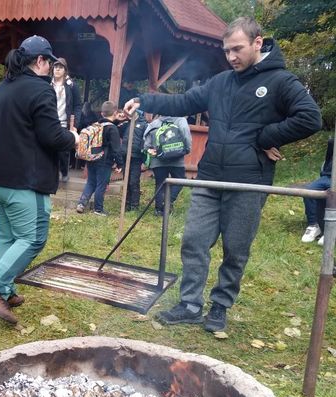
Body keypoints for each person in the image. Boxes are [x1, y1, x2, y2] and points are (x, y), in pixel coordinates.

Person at [124, 16, 321, 333]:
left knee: (235, 250)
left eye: (237, 49)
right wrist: (143, 99)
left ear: (258, 43)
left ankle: (220, 307)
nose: (231, 57)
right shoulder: (220, 82)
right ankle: (189, 304)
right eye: (227, 50)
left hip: (248, 182)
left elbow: (310, 118)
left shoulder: (281, 81)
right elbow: (183, 101)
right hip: (209, 177)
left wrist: (267, 137)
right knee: (193, 242)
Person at [0, 35, 79, 324]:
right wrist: (74, 137)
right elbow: (52, 136)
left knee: (7, 237)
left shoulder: (0, 89)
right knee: (33, 238)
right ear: (41, 61)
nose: (51, 68)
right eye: (50, 62)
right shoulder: (40, 90)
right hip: (20, 180)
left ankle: (6, 288)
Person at [76, 101, 124, 216]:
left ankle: (82, 203)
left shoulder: (96, 126)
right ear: (115, 112)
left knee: (91, 182)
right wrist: (120, 164)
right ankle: (98, 209)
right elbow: (116, 148)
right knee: (101, 184)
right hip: (105, 160)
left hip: (92, 158)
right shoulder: (112, 129)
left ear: (102, 113)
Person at [143, 114, 192, 215]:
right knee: (180, 180)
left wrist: (152, 151)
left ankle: (159, 209)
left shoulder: (154, 123)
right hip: (177, 159)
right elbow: (187, 137)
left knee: (160, 183)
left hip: (158, 159)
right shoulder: (181, 120)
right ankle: (168, 201)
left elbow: (146, 144)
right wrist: (186, 150)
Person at [51, 58, 82, 182]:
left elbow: (78, 105)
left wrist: (75, 124)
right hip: (50, 121)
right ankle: (51, 174)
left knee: (63, 150)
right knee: (49, 149)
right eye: (55, 66)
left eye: (61, 67)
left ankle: (64, 173)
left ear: (65, 70)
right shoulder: (48, 84)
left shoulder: (72, 85)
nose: (57, 69)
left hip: (65, 122)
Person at [301, 137, 333, 246]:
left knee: (333, 194)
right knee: (309, 192)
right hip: (327, 176)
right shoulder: (333, 141)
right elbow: (328, 158)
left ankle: (330, 231)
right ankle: (314, 225)